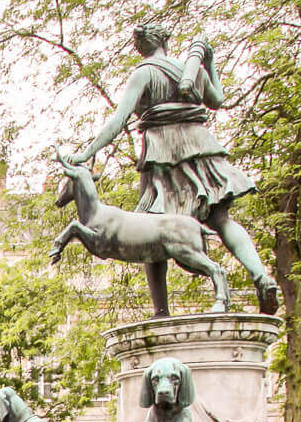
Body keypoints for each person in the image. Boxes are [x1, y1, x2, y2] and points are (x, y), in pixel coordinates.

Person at [62, 23, 280, 315]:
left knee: (151, 226)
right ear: (165, 40)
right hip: (200, 145)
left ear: (141, 47)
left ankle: (161, 312)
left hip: (163, 152)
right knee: (221, 219)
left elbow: (119, 120)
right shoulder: (192, 70)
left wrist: (86, 153)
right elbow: (218, 100)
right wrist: (210, 62)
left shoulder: (144, 73)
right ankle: (260, 275)